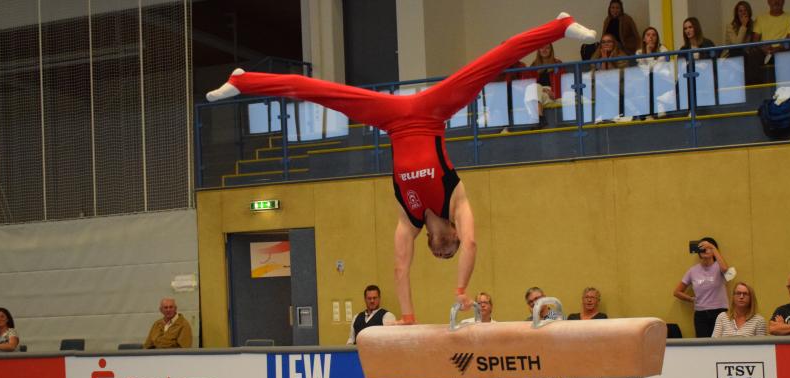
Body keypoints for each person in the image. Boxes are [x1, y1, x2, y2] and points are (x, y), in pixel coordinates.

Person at [207, 14, 597, 325]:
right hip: (433, 111)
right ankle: (560, 26)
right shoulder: (456, 200)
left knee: (319, 92)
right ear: (454, 235)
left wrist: (408, 316)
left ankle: (244, 80)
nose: (445, 253)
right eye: (451, 251)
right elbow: (474, 245)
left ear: (430, 242)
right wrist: (461, 288)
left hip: (392, 121)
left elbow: (399, 268)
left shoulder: (408, 220)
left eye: (440, 256)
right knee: (491, 62)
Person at [673, 237, 732, 338]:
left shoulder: (719, 266)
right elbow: (677, 292)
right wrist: (691, 299)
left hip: (720, 312)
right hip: (701, 315)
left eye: (708, 247)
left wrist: (713, 248)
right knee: (703, 346)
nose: (705, 250)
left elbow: (726, 269)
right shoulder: (692, 271)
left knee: (721, 344)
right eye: (702, 247)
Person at [723, 2, 764, 83]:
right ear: (736, 13)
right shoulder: (730, 26)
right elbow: (737, 44)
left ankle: (753, 83)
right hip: (732, 54)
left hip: (748, 55)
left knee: (755, 54)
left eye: (745, 10)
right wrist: (744, 26)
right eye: (740, 11)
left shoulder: (753, 24)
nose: (743, 13)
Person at [525, 43, 563, 127]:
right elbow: (529, 83)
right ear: (538, 50)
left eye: (547, 48)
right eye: (541, 47)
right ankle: (540, 116)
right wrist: (541, 89)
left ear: (551, 50)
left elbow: (563, 82)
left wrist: (555, 93)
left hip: (550, 94)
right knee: (534, 87)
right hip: (537, 92)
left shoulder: (557, 63)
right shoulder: (534, 65)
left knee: (534, 88)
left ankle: (536, 118)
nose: (544, 50)